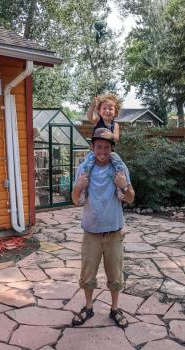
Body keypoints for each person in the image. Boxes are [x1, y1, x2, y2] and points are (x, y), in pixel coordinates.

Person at [71, 128, 135, 328]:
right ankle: (88, 307)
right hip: (91, 232)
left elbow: (131, 198)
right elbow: (75, 200)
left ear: (111, 149)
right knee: (87, 275)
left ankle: (115, 309)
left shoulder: (119, 168)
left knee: (115, 275)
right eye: (99, 147)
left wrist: (124, 185)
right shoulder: (84, 169)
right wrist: (78, 186)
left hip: (114, 232)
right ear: (93, 147)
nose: (102, 151)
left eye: (106, 147)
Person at [78, 93, 125, 205]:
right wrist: (92, 106)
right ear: (99, 111)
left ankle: (119, 189)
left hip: (110, 153)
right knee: (86, 166)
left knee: (119, 165)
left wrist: (110, 136)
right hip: (95, 152)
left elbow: (116, 137)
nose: (107, 111)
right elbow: (90, 117)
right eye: (104, 108)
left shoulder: (115, 125)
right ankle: (83, 191)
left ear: (115, 112)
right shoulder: (98, 120)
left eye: (110, 109)